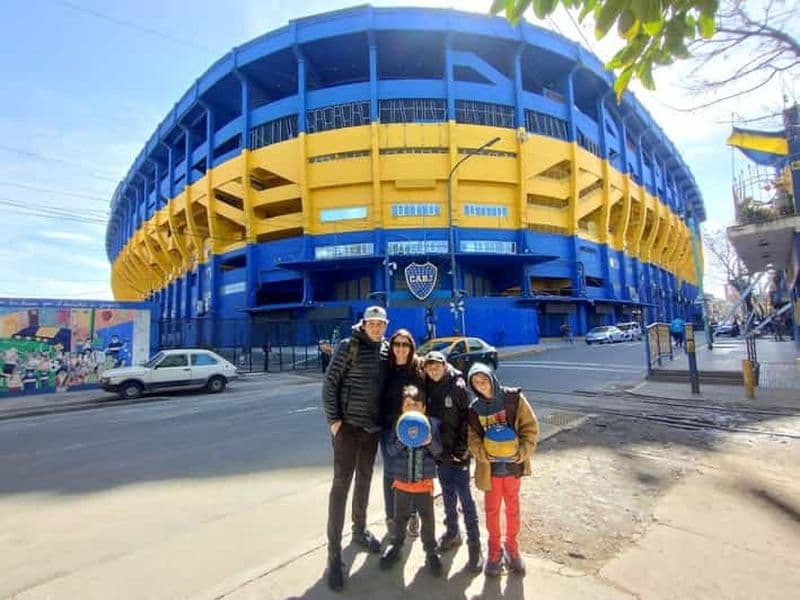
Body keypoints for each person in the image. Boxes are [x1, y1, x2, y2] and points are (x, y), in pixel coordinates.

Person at [322, 306, 390, 592]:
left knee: (364, 480)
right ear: (363, 324)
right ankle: (334, 554)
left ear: (385, 326)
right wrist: (335, 421)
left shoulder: (386, 350)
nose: (376, 327)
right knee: (341, 486)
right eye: (372, 323)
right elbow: (329, 385)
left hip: (372, 430)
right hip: (348, 428)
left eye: (380, 323)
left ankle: (359, 529)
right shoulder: (347, 347)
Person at [467, 362, 539, 577]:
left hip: (512, 469)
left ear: (492, 378)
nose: (482, 386)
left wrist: (522, 452)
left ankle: (512, 548)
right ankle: (495, 551)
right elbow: (472, 440)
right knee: (491, 512)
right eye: (476, 383)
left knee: (513, 510)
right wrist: (482, 453)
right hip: (490, 473)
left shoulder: (513, 399)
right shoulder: (474, 410)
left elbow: (530, 428)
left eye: (484, 380)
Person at [423, 351, 484, 573]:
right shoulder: (428, 387)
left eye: (436, 365)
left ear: (445, 365)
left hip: (459, 455)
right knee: (447, 495)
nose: (433, 370)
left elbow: (469, 421)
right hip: (440, 454)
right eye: (429, 367)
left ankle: (476, 548)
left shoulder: (458, 387)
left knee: (466, 501)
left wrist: (462, 451)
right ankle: (452, 533)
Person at [380, 385, 443, 576]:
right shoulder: (398, 426)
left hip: (423, 483)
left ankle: (430, 552)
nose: (412, 408)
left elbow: (439, 451)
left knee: (427, 518)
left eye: (416, 405)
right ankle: (397, 547)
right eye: (408, 405)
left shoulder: (431, 425)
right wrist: (401, 440)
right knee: (400, 518)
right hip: (402, 483)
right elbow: (389, 451)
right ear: (402, 408)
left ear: (423, 408)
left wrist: (429, 442)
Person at [380, 329, 425, 539]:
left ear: (411, 347)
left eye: (405, 344)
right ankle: (391, 517)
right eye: (396, 344)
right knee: (390, 472)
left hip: (411, 425)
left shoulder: (418, 368)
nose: (400, 348)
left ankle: (413, 514)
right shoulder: (385, 368)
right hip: (388, 427)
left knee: (412, 471)